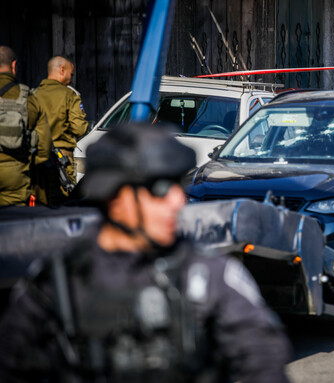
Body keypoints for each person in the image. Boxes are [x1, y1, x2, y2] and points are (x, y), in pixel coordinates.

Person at [0, 123, 292, 382]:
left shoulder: (206, 275)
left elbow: (263, 355)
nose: (178, 201)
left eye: (178, 186)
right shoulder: (58, 283)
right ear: (116, 197)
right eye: (161, 189)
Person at [31, 55, 88, 206]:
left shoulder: (33, 94)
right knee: (63, 203)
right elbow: (80, 128)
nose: (71, 78)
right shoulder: (70, 95)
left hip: (38, 159)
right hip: (62, 161)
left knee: (39, 203)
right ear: (62, 70)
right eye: (71, 73)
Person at [0, 46, 51, 206]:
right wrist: (25, 163)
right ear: (14, 66)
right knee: (13, 223)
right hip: (15, 175)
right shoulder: (28, 98)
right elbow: (44, 147)